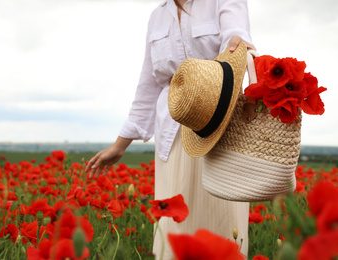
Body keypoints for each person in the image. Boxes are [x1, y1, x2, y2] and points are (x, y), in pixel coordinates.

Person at [86, 0, 256, 258]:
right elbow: (148, 86)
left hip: (218, 129)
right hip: (172, 137)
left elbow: (236, 37)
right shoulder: (157, 16)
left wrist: (237, 44)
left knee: (220, 223)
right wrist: (120, 145)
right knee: (174, 229)